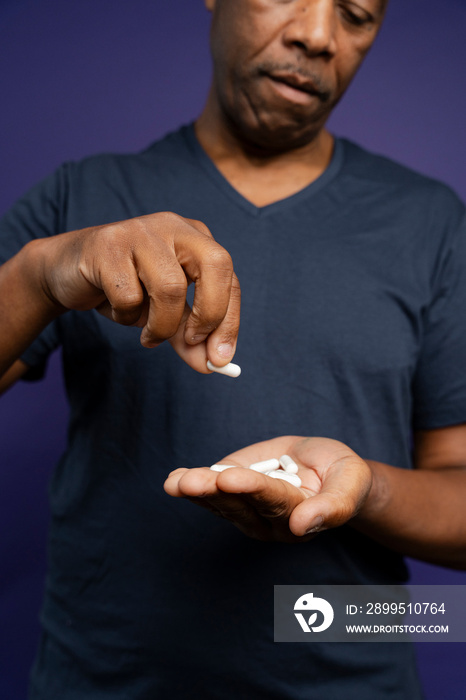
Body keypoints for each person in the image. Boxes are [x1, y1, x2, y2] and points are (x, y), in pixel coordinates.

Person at [1, 0, 465, 698]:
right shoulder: (83, 196)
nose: (317, 34)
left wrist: (365, 488)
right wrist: (42, 273)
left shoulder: (433, 225)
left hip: (349, 672)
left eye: (357, 14)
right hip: (103, 680)